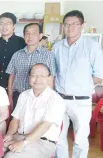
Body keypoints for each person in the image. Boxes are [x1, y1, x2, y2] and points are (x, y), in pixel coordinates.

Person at [54, 10, 103, 158]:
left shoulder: (92, 46)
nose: (70, 27)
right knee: (58, 136)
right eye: (67, 24)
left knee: (80, 139)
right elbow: (53, 72)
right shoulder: (57, 46)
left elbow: (99, 75)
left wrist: (82, 85)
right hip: (59, 99)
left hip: (81, 101)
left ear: (82, 25)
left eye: (74, 24)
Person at [3, 63, 66, 158]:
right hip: (19, 136)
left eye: (42, 76)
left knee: (11, 156)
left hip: (43, 143)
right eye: (34, 75)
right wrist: (10, 134)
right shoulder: (24, 95)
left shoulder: (56, 99)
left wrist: (24, 143)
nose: (37, 79)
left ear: (49, 78)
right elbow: (15, 119)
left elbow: (45, 126)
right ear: (29, 77)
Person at [6, 23, 55, 111]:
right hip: (18, 96)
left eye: (34, 33)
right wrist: (10, 96)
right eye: (27, 33)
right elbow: (11, 77)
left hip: (38, 97)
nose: (30, 36)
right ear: (24, 36)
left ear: (40, 36)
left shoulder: (48, 55)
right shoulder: (17, 55)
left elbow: (50, 79)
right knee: (17, 122)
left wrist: (48, 99)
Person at [0, 12, 26, 92]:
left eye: (8, 23)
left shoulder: (22, 43)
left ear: (13, 26)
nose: (4, 26)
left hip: (16, 88)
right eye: (1, 23)